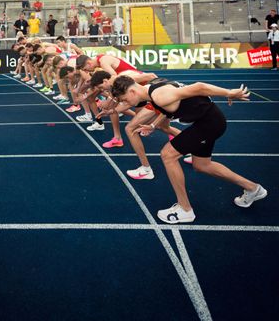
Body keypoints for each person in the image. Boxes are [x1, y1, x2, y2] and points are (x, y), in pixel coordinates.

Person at [111, 75, 267, 224]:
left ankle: (185, 209)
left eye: (125, 100)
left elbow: (199, 87)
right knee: (202, 165)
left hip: (209, 124)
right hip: (208, 121)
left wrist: (229, 92)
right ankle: (253, 188)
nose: (127, 103)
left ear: (131, 91)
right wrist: (153, 126)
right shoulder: (153, 89)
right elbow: (166, 109)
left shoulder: (159, 95)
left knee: (167, 155)